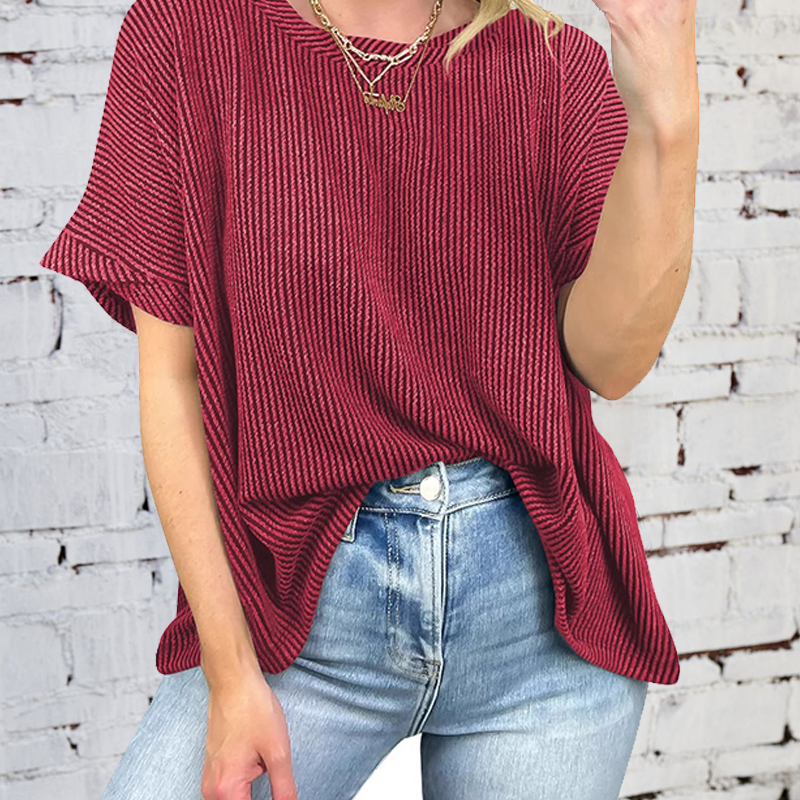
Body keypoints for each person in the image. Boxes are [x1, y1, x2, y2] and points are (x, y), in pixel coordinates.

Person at [37, 0, 699, 796]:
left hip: (539, 628)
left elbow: (610, 364)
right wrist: (230, 673)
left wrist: (668, 121)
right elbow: (172, 381)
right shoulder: (190, 33)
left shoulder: (555, 64)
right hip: (294, 617)